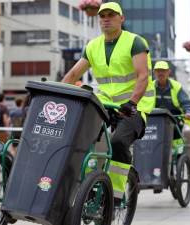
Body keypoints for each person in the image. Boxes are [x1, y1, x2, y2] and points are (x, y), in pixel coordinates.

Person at [61, 2, 155, 203]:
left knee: (118, 142)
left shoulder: (135, 42)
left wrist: (132, 102)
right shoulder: (93, 46)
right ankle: (84, 186)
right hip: (105, 104)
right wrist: (57, 95)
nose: (106, 19)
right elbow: (73, 74)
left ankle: (117, 195)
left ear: (122, 19)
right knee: (79, 138)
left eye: (111, 15)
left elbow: (143, 76)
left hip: (134, 107)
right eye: (103, 16)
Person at [153, 60, 190, 142]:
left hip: (174, 118)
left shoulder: (176, 86)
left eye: (163, 71)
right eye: (158, 71)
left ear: (168, 72)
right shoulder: (150, 87)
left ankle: (177, 152)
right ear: (154, 72)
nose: (160, 73)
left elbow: (185, 102)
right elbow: (142, 102)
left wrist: (188, 112)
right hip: (154, 118)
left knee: (176, 140)